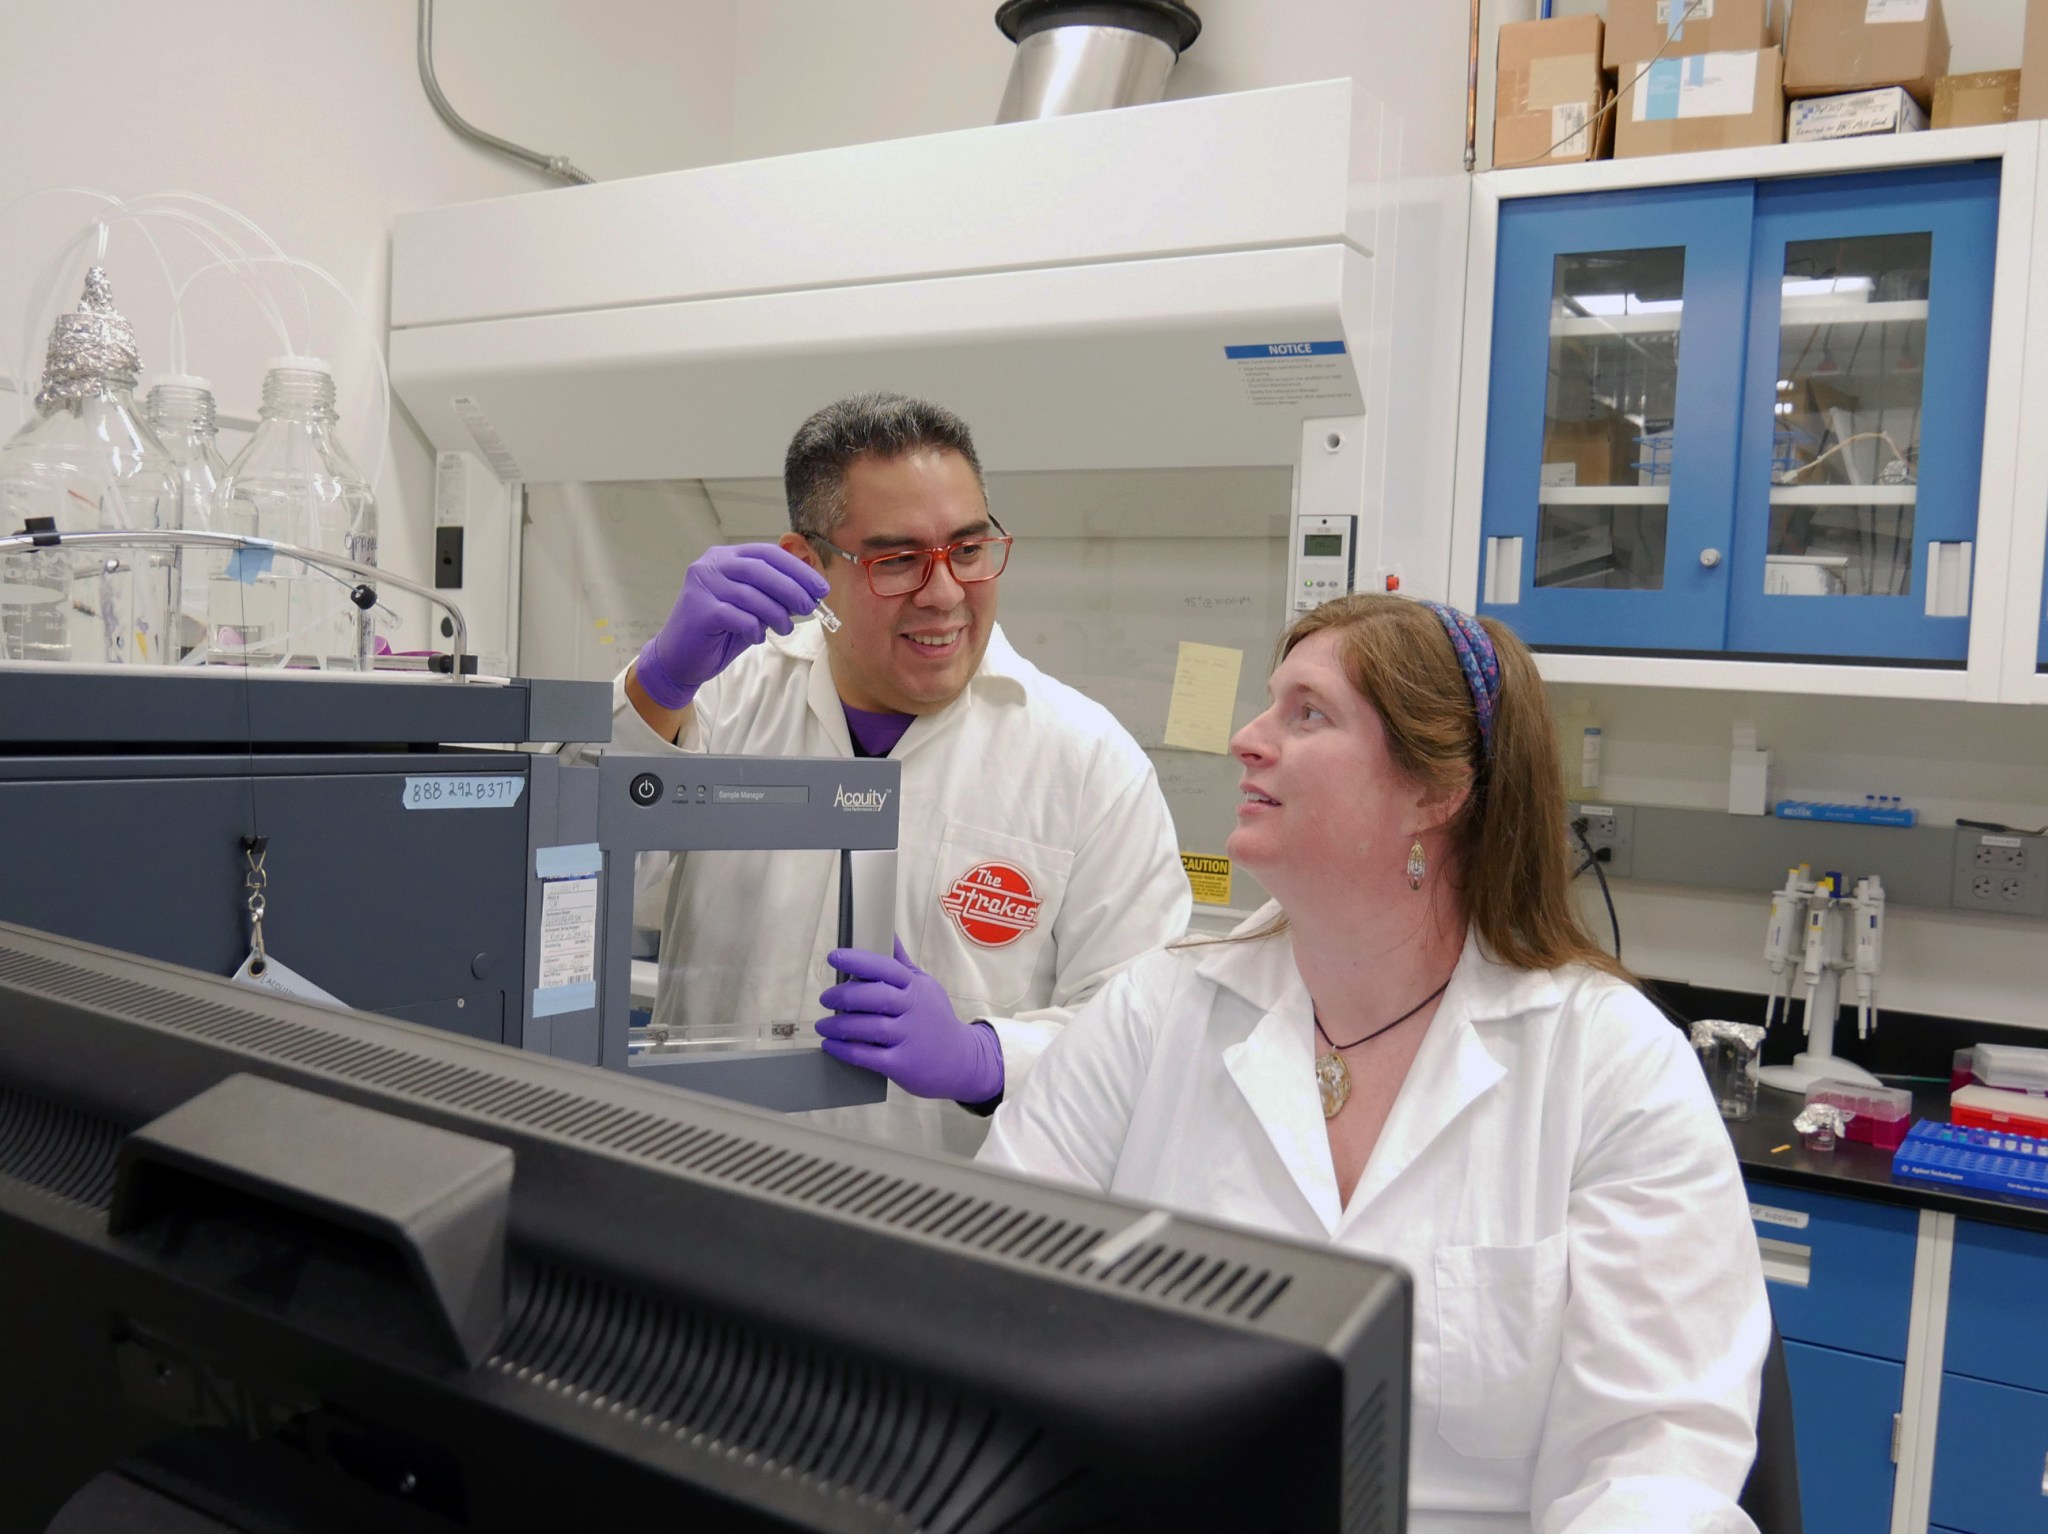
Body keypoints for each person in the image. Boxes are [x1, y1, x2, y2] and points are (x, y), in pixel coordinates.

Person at [979, 594, 1771, 1533]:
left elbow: (1655, 1464)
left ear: (1437, 793)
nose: (1247, 738)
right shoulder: (1158, 1012)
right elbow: (995, 1311)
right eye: (1270, 704)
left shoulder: (1611, 1063)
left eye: (1306, 713)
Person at [610, 391, 1191, 1154]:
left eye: (970, 550)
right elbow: (578, 885)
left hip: (946, 1232)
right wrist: (655, 687)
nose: (945, 593)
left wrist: (985, 1058)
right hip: (703, 1185)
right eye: (899, 560)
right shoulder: (721, 694)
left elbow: (1147, 1034)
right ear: (807, 563)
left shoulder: (1086, 764)